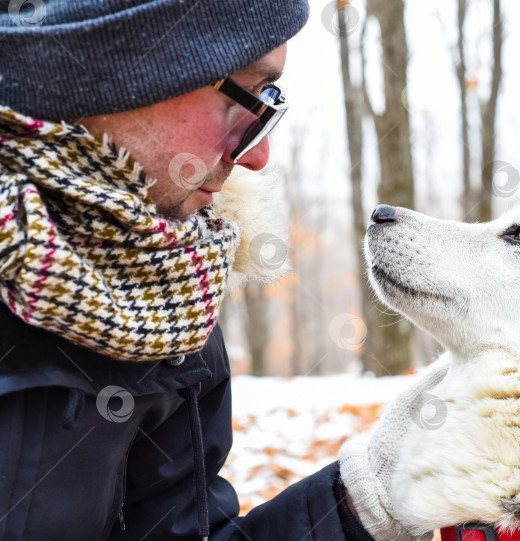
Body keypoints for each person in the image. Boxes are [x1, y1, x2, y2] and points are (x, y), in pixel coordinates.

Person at [0, 1, 446, 540]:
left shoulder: (172, 297)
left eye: (270, 102)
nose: (257, 158)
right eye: (249, 95)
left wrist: (372, 507)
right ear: (116, 74)